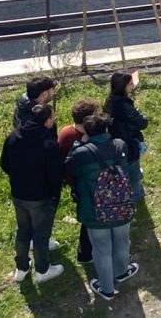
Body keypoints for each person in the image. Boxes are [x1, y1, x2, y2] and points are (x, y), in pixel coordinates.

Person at [65, 113, 139, 301]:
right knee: (122, 242)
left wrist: (77, 145)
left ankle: (106, 289)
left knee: (101, 250)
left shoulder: (81, 153)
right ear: (106, 129)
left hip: (95, 211)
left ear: (87, 132)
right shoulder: (120, 145)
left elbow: (67, 169)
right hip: (121, 206)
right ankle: (122, 272)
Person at [1, 103, 64, 284]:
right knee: (41, 234)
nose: (54, 120)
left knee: (23, 230)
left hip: (18, 194)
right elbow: (55, 175)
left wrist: (19, 179)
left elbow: (4, 163)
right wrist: (53, 194)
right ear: (46, 121)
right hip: (40, 197)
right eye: (53, 117)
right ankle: (43, 270)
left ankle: (21, 268)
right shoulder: (48, 144)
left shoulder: (14, 136)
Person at [59, 99, 100, 263]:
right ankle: (85, 252)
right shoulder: (83, 138)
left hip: (75, 182)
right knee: (89, 219)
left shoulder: (65, 131)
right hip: (83, 184)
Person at [104, 70, 148, 204]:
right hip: (128, 142)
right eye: (130, 84)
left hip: (115, 142)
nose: (132, 86)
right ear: (122, 86)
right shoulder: (124, 105)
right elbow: (142, 122)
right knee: (133, 172)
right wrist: (141, 115)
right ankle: (135, 197)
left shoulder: (110, 100)